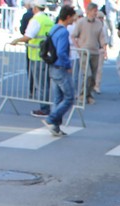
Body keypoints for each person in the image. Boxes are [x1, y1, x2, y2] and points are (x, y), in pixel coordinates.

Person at [10, 0, 54, 117]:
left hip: (36, 55)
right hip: (47, 55)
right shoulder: (48, 20)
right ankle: (46, 107)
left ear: (35, 8)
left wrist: (16, 41)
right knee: (46, 84)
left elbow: (28, 36)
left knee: (40, 85)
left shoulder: (35, 20)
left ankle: (44, 109)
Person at [42, 5, 78, 136]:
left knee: (58, 98)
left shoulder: (54, 28)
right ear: (68, 17)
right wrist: (68, 66)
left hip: (53, 66)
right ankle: (51, 119)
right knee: (69, 98)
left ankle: (55, 127)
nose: (73, 21)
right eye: (72, 18)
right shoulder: (63, 32)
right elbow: (62, 52)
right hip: (61, 67)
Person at [69, 2, 107, 98]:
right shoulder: (81, 22)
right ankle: (83, 94)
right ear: (88, 11)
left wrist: (104, 49)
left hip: (95, 52)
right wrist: (78, 48)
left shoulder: (98, 23)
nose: (95, 13)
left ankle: (88, 94)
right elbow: (73, 36)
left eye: (96, 11)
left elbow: (102, 37)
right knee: (88, 74)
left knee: (93, 77)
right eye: (94, 11)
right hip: (84, 52)